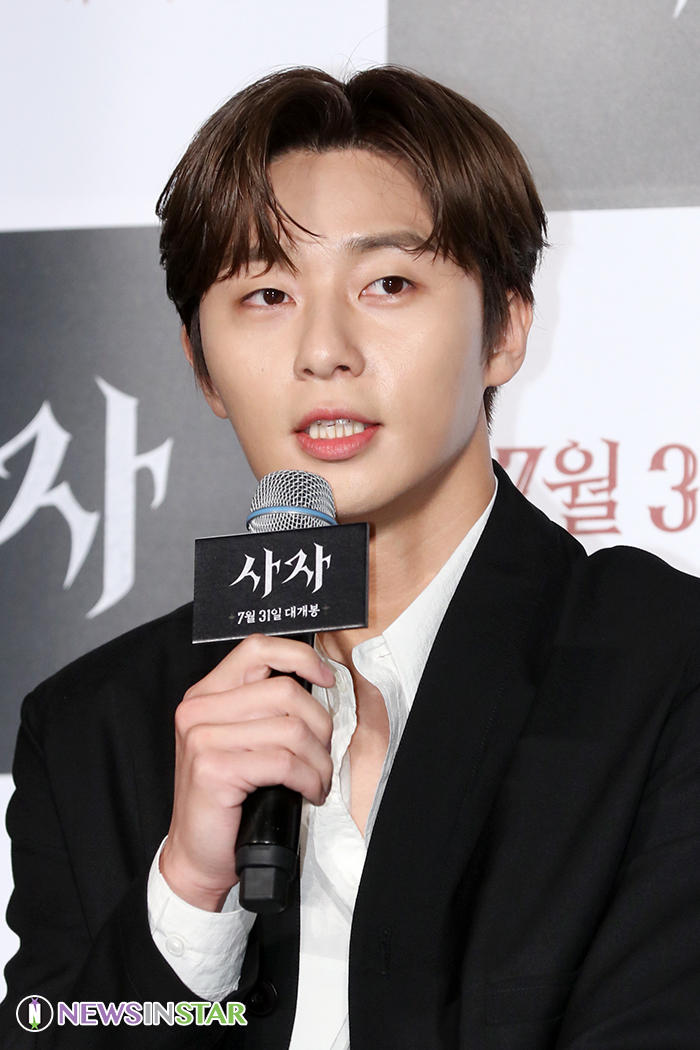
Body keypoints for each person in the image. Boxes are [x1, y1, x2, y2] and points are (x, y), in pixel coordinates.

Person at [1, 66, 699, 1049]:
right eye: (267, 294)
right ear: (202, 367)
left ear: (504, 329)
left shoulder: (662, 668)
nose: (323, 350)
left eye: (388, 284)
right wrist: (190, 892)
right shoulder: (92, 728)